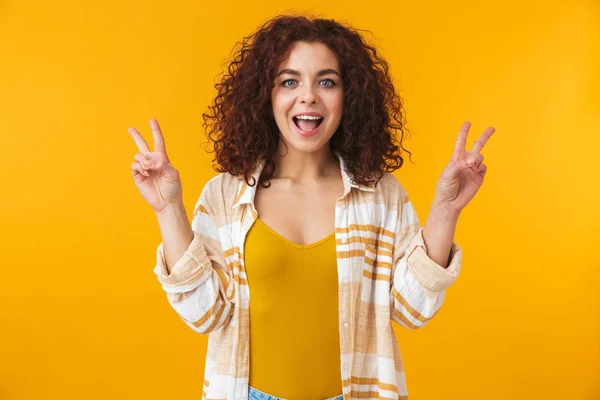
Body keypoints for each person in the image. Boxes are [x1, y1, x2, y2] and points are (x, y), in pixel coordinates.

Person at [128, 13, 494, 400]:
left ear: (348, 97)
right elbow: (205, 315)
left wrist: (446, 210)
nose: (308, 96)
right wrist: (168, 209)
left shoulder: (382, 195)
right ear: (264, 96)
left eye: (326, 81)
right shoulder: (224, 195)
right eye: (289, 81)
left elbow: (410, 311)